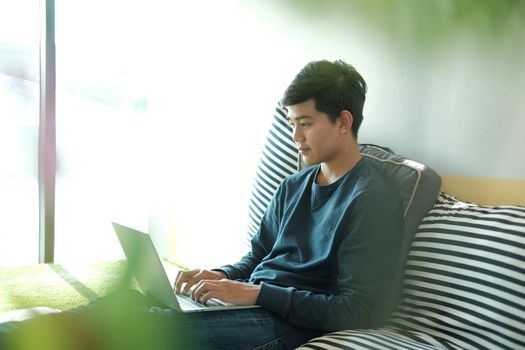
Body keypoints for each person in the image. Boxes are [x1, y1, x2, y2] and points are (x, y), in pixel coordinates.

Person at [0, 60, 403, 350]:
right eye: (290, 122)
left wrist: (256, 294)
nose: (295, 136)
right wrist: (218, 276)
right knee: (125, 304)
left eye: (305, 123)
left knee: (142, 328)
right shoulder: (294, 185)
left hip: (283, 325)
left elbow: (359, 311)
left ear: (344, 121)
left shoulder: (369, 201)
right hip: (250, 305)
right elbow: (258, 257)